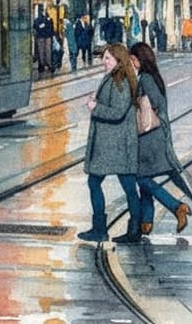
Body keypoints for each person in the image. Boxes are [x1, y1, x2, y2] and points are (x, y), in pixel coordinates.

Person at [77, 43, 142, 243]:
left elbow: (118, 112)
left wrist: (95, 107)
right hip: (114, 143)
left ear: (118, 61)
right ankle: (133, 229)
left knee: (98, 182)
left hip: (114, 143)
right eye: (104, 58)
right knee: (127, 186)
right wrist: (97, 102)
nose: (104, 62)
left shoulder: (119, 81)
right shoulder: (115, 78)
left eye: (108, 58)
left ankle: (101, 229)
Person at [130, 42, 192, 236]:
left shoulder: (146, 78)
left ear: (141, 59)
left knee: (141, 177)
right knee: (144, 175)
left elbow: (156, 103)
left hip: (151, 135)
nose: (131, 62)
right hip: (153, 134)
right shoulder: (151, 76)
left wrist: (137, 106)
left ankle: (176, 206)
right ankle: (146, 222)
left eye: (133, 59)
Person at [32, 7, 55, 74]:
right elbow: (37, 27)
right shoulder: (47, 19)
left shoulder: (38, 19)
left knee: (42, 51)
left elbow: (36, 27)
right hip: (45, 37)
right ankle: (47, 65)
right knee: (46, 51)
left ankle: (42, 65)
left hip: (42, 37)